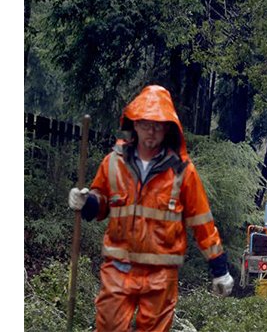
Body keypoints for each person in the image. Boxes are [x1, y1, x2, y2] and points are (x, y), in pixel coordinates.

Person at [68, 85, 234, 331]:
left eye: (158, 125)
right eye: (146, 124)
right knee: (109, 326)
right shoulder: (113, 163)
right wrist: (87, 202)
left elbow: (202, 222)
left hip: (161, 273)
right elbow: (101, 202)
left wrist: (219, 267)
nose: (151, 131)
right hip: (119, 267)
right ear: (135, 123)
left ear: (168, 128)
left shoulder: (182, 171)